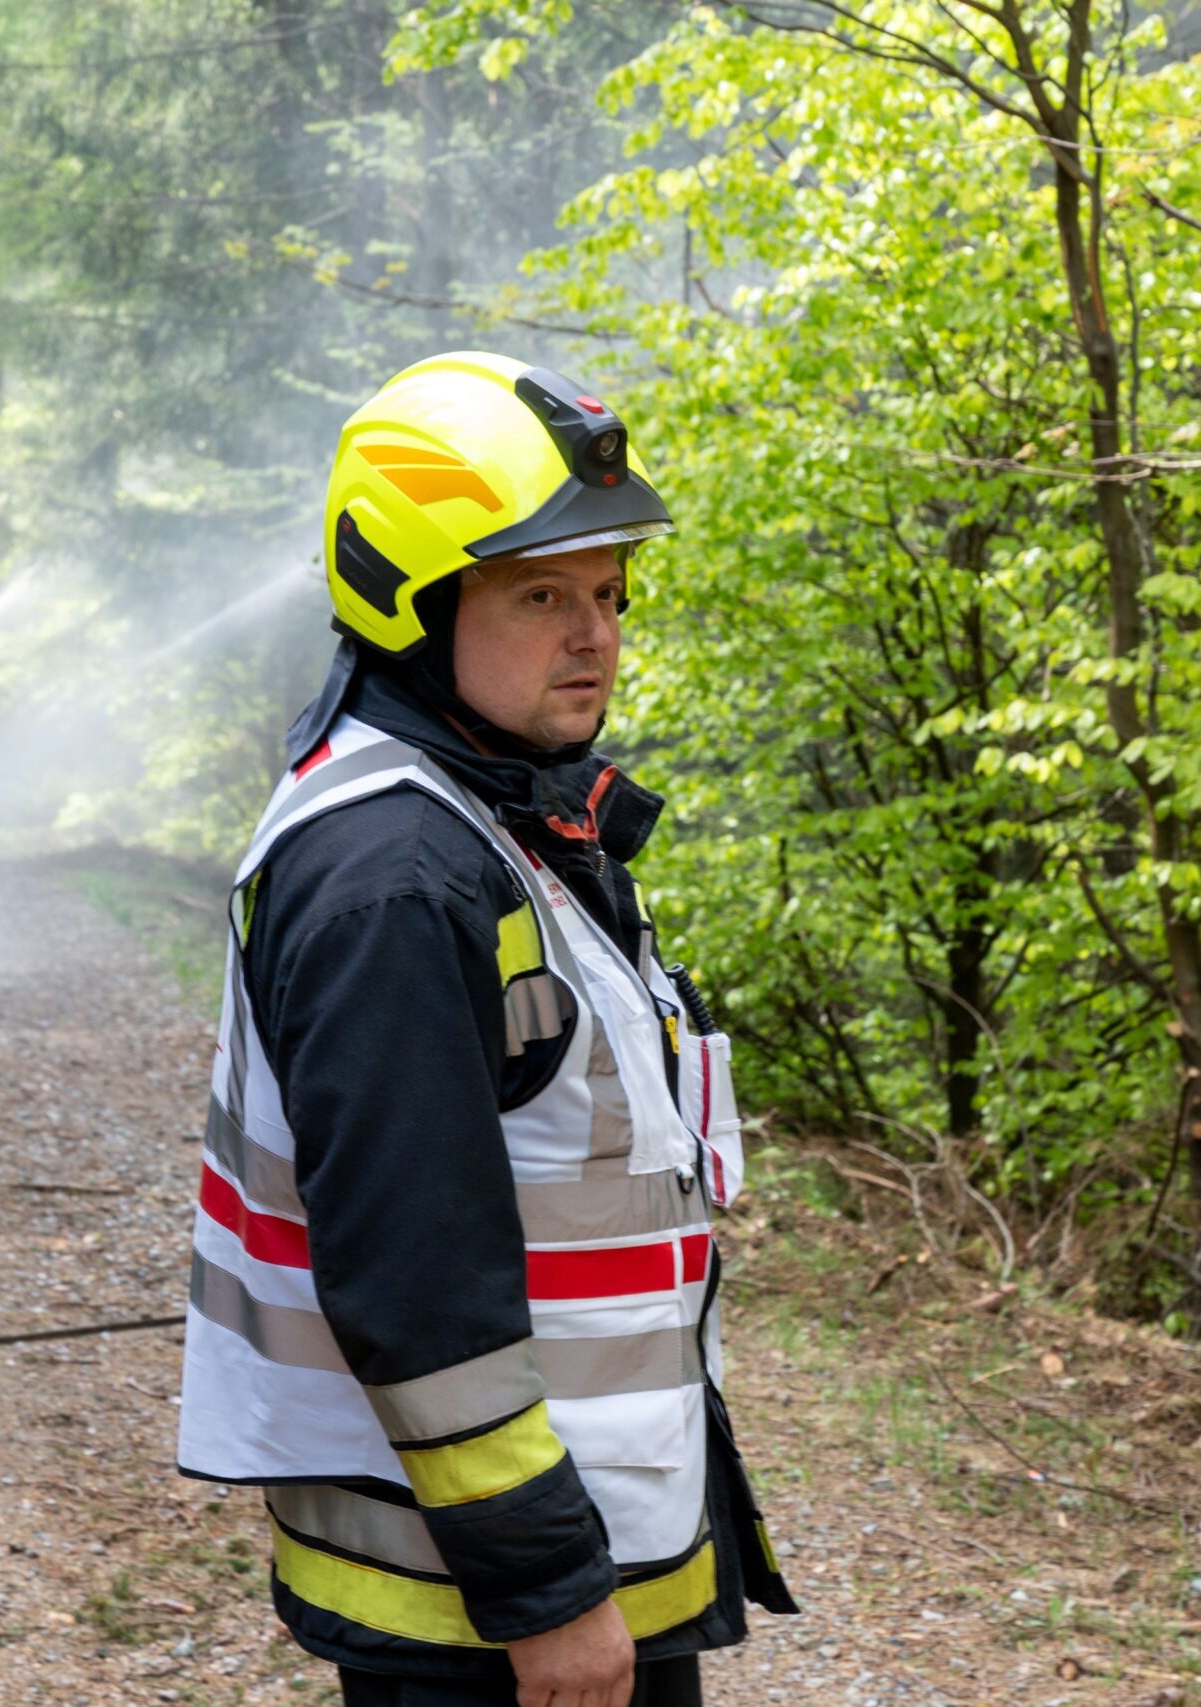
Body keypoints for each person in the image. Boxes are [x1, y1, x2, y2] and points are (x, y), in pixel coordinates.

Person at [176, 352, 797, 1707]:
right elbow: (415, 1284)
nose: (596, 635)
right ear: (408, 599)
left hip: (571, 1565)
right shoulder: (394, 878)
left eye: (608, 592)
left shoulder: (493, 815)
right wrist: (548, 1589)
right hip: (491, 1617)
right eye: (539, 594)